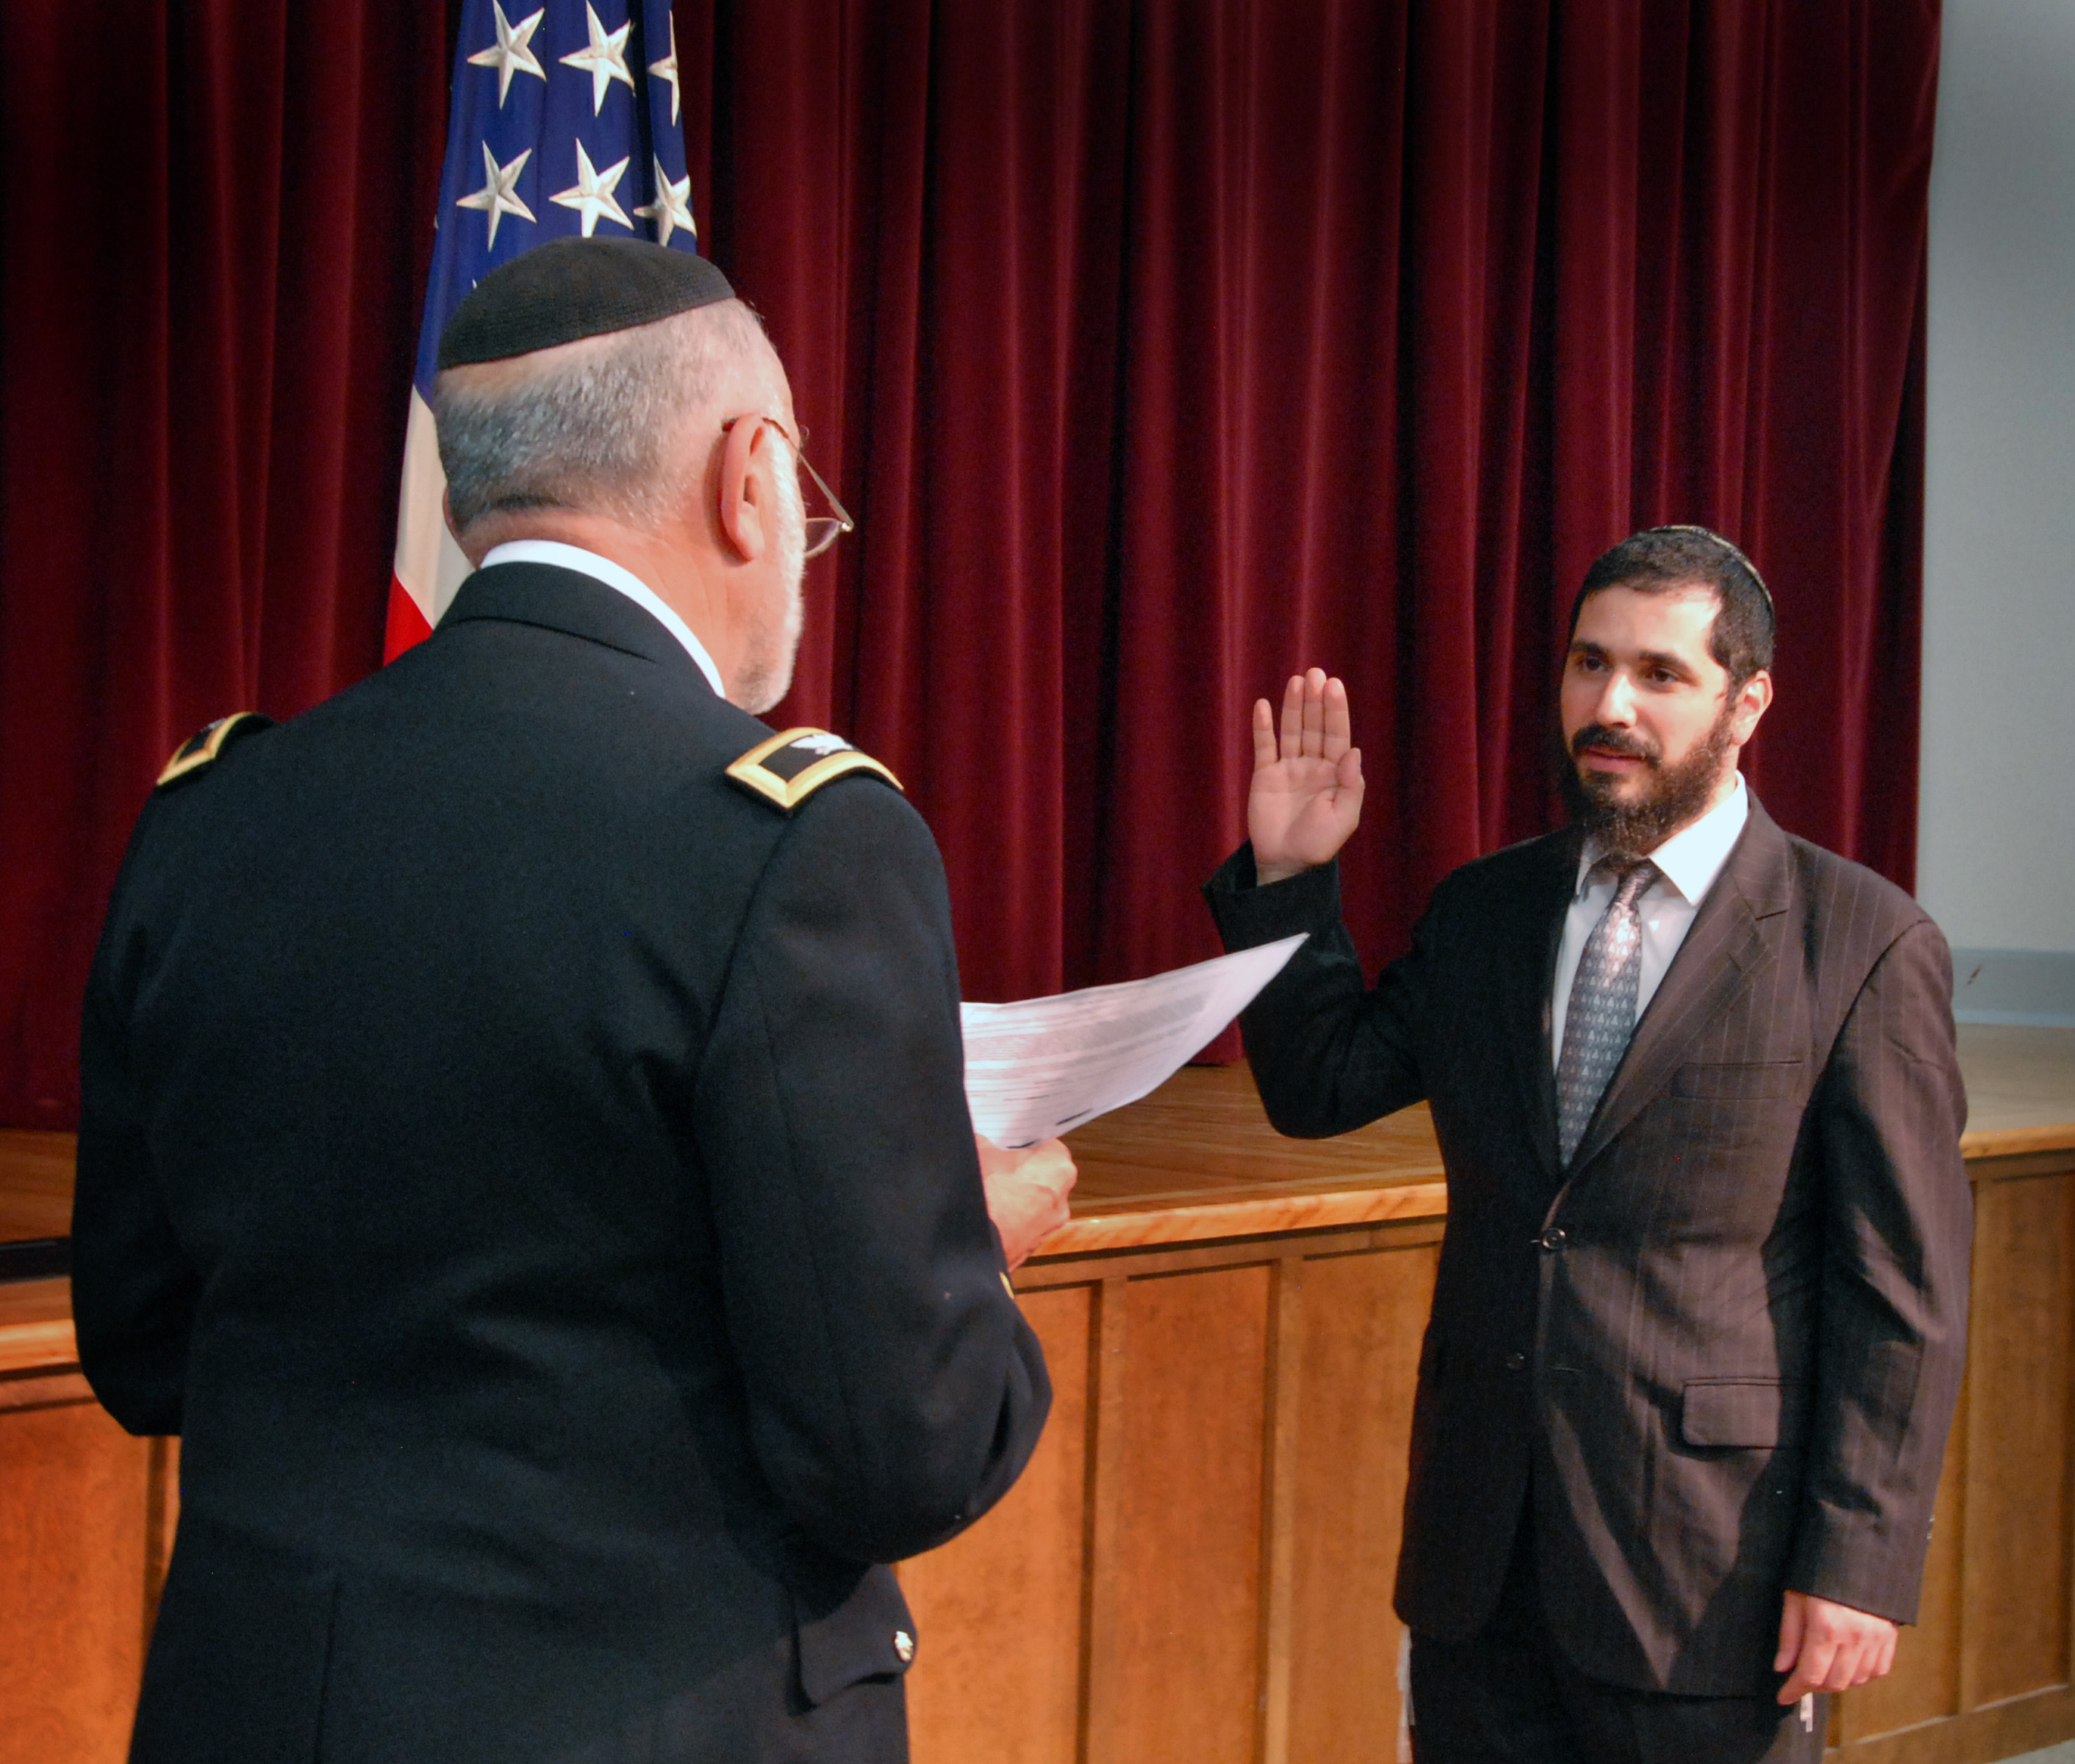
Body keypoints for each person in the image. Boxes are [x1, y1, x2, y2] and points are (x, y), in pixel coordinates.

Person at [71, 236, 1075, 1764]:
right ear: (751, 476)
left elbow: (142, 1347)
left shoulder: (215, 811)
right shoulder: (790, 841)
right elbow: (895, 1454)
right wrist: (964, 1254)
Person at [1203, 527, 1971, 1763]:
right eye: (1587, 664)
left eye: (1660, 675)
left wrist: (1860, 1562)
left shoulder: (1861, 942)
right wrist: (1291, 879)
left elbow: (1904, 1293)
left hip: (1710, 1581)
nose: (1610, 706)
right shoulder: (1487, 909)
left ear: (1747, 701)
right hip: (1480, 1561)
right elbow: (1320, 1087)